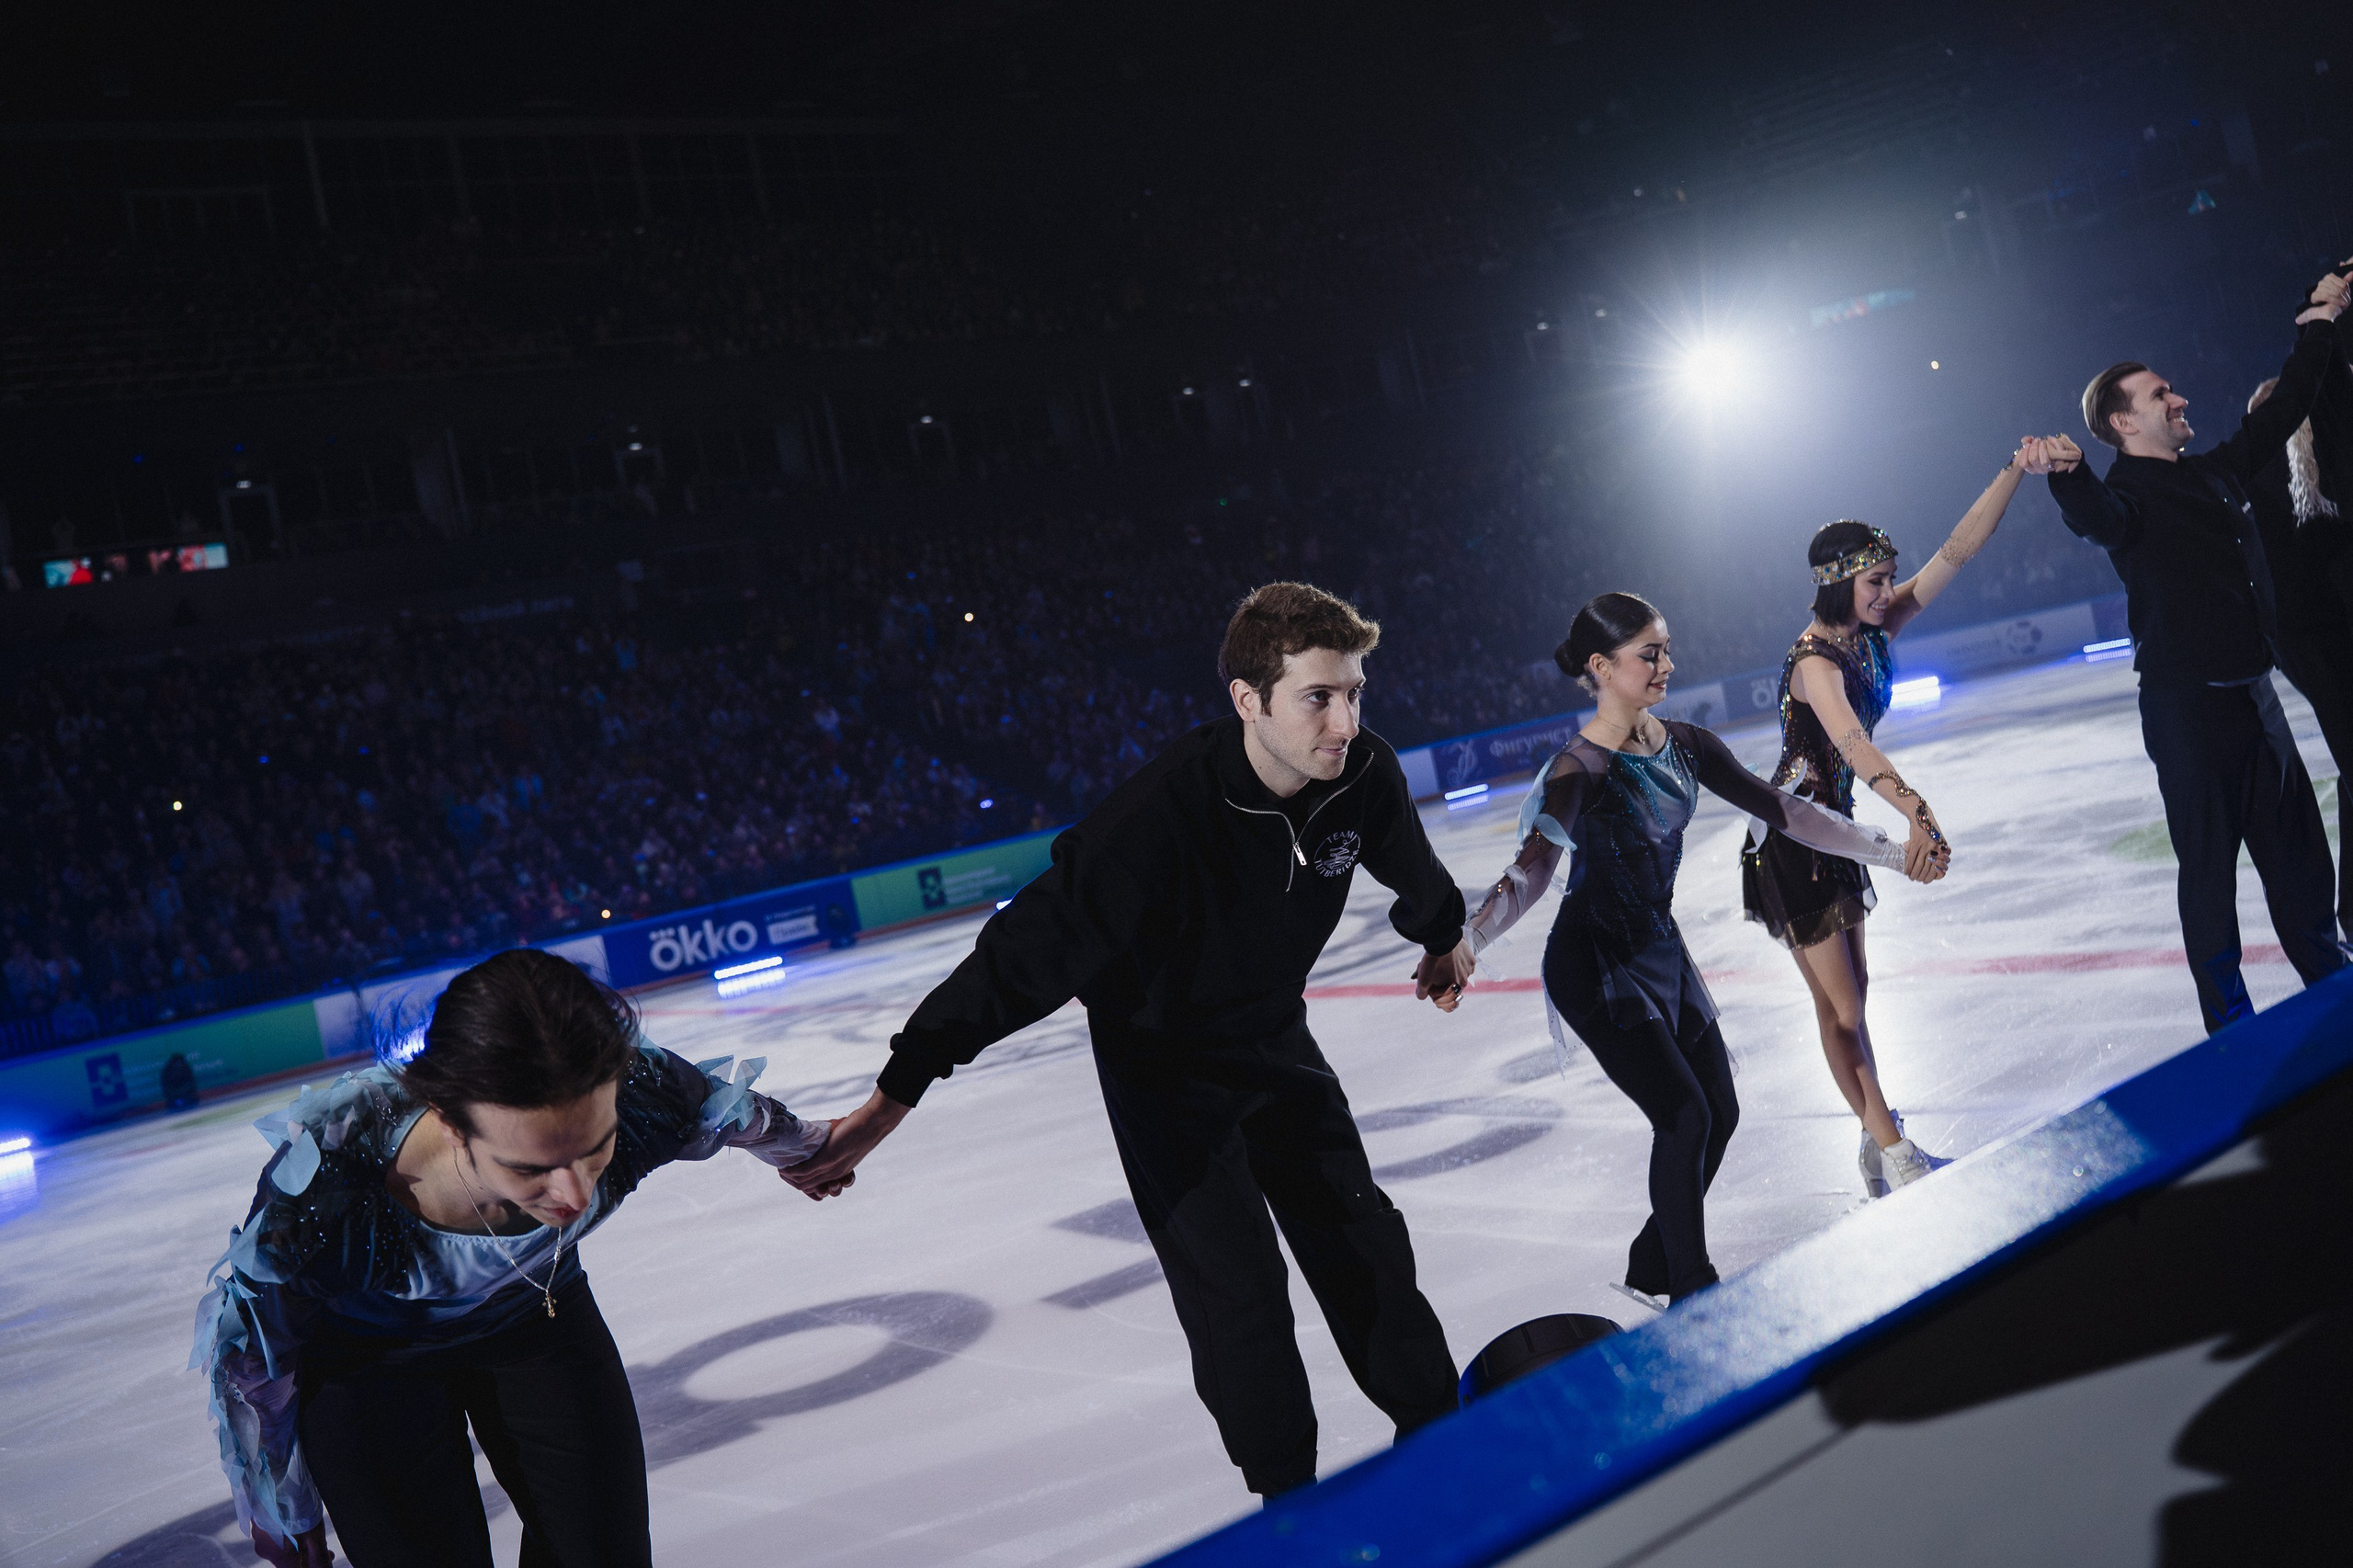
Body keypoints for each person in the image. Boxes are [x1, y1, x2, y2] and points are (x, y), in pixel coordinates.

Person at [783, 582, 1472, 1500]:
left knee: (1364, 1240)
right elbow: (1017, 961)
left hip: (1272, 1035)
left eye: (1353, 691)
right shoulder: (1156, 819)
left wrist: (1441, 931)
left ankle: (1443, 1451)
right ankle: (1287, 1507)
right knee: (1240, 1297)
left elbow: (1407, 859)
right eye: (1318, 695)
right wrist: (887, 1101)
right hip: (1166, 1071)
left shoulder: (1361, 772)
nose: (1343, 720)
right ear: (1246, 699)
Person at [194, 948, 844, 1568]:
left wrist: (813, 1150)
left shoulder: (644, 1095)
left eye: (596, 1146)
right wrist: (279, 1501)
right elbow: (251, 1353)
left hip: (539, 1317)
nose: (574, 1192)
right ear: (449, 1119)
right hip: (365, 1367)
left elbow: (739, 1115)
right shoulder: (333, 1191)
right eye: (530, 1166)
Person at [1457, 594, 1922, 1303]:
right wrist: (1469, 941)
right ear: (1601, 667)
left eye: (1666, 648)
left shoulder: (1686, 744)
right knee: (1685, 1115)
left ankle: (1653, 1262)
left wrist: (1886, 851)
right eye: (1649, 654)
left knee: (1719, 1113)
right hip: (1594, 959)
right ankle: (1692, 1290)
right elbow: (1534, 867)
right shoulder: (1580, 769)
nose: (1666, 664)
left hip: (1659, 950)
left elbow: (1789, 813)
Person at [2046, 264, 2352, 1033]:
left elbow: (2287, 403)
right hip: (2189, 717)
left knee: (2303, 871)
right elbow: (2095, 517)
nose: (2178, 399)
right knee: (2211, 881)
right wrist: (2068, 476)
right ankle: (2231, 1033)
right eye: (2160, 395)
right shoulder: (2126, 501)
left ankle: (2336, 995)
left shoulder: (2213, 474)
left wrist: (2318, 315)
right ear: (2124, 422)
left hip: (2257, 702)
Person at [1741, 441, 2043, 1197]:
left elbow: (1958, 551)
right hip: (1795, 834)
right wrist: (1918, 812)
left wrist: (2014, 467)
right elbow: (1850, 741)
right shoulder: (1814, 661)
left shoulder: (1870, 631)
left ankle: (1877, 1140)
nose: (1887, 593)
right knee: (1841, 1006)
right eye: (1874, 582)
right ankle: (1894, 1150)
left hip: (1832, 825)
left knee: (1853, 996)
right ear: (1841, 582)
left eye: (1885, 581)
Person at [2245, 326, 2353, 937]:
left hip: (2327, 629)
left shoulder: (2326, 474)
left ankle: (2351, 910)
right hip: (2308, 636)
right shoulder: (2266, 482)